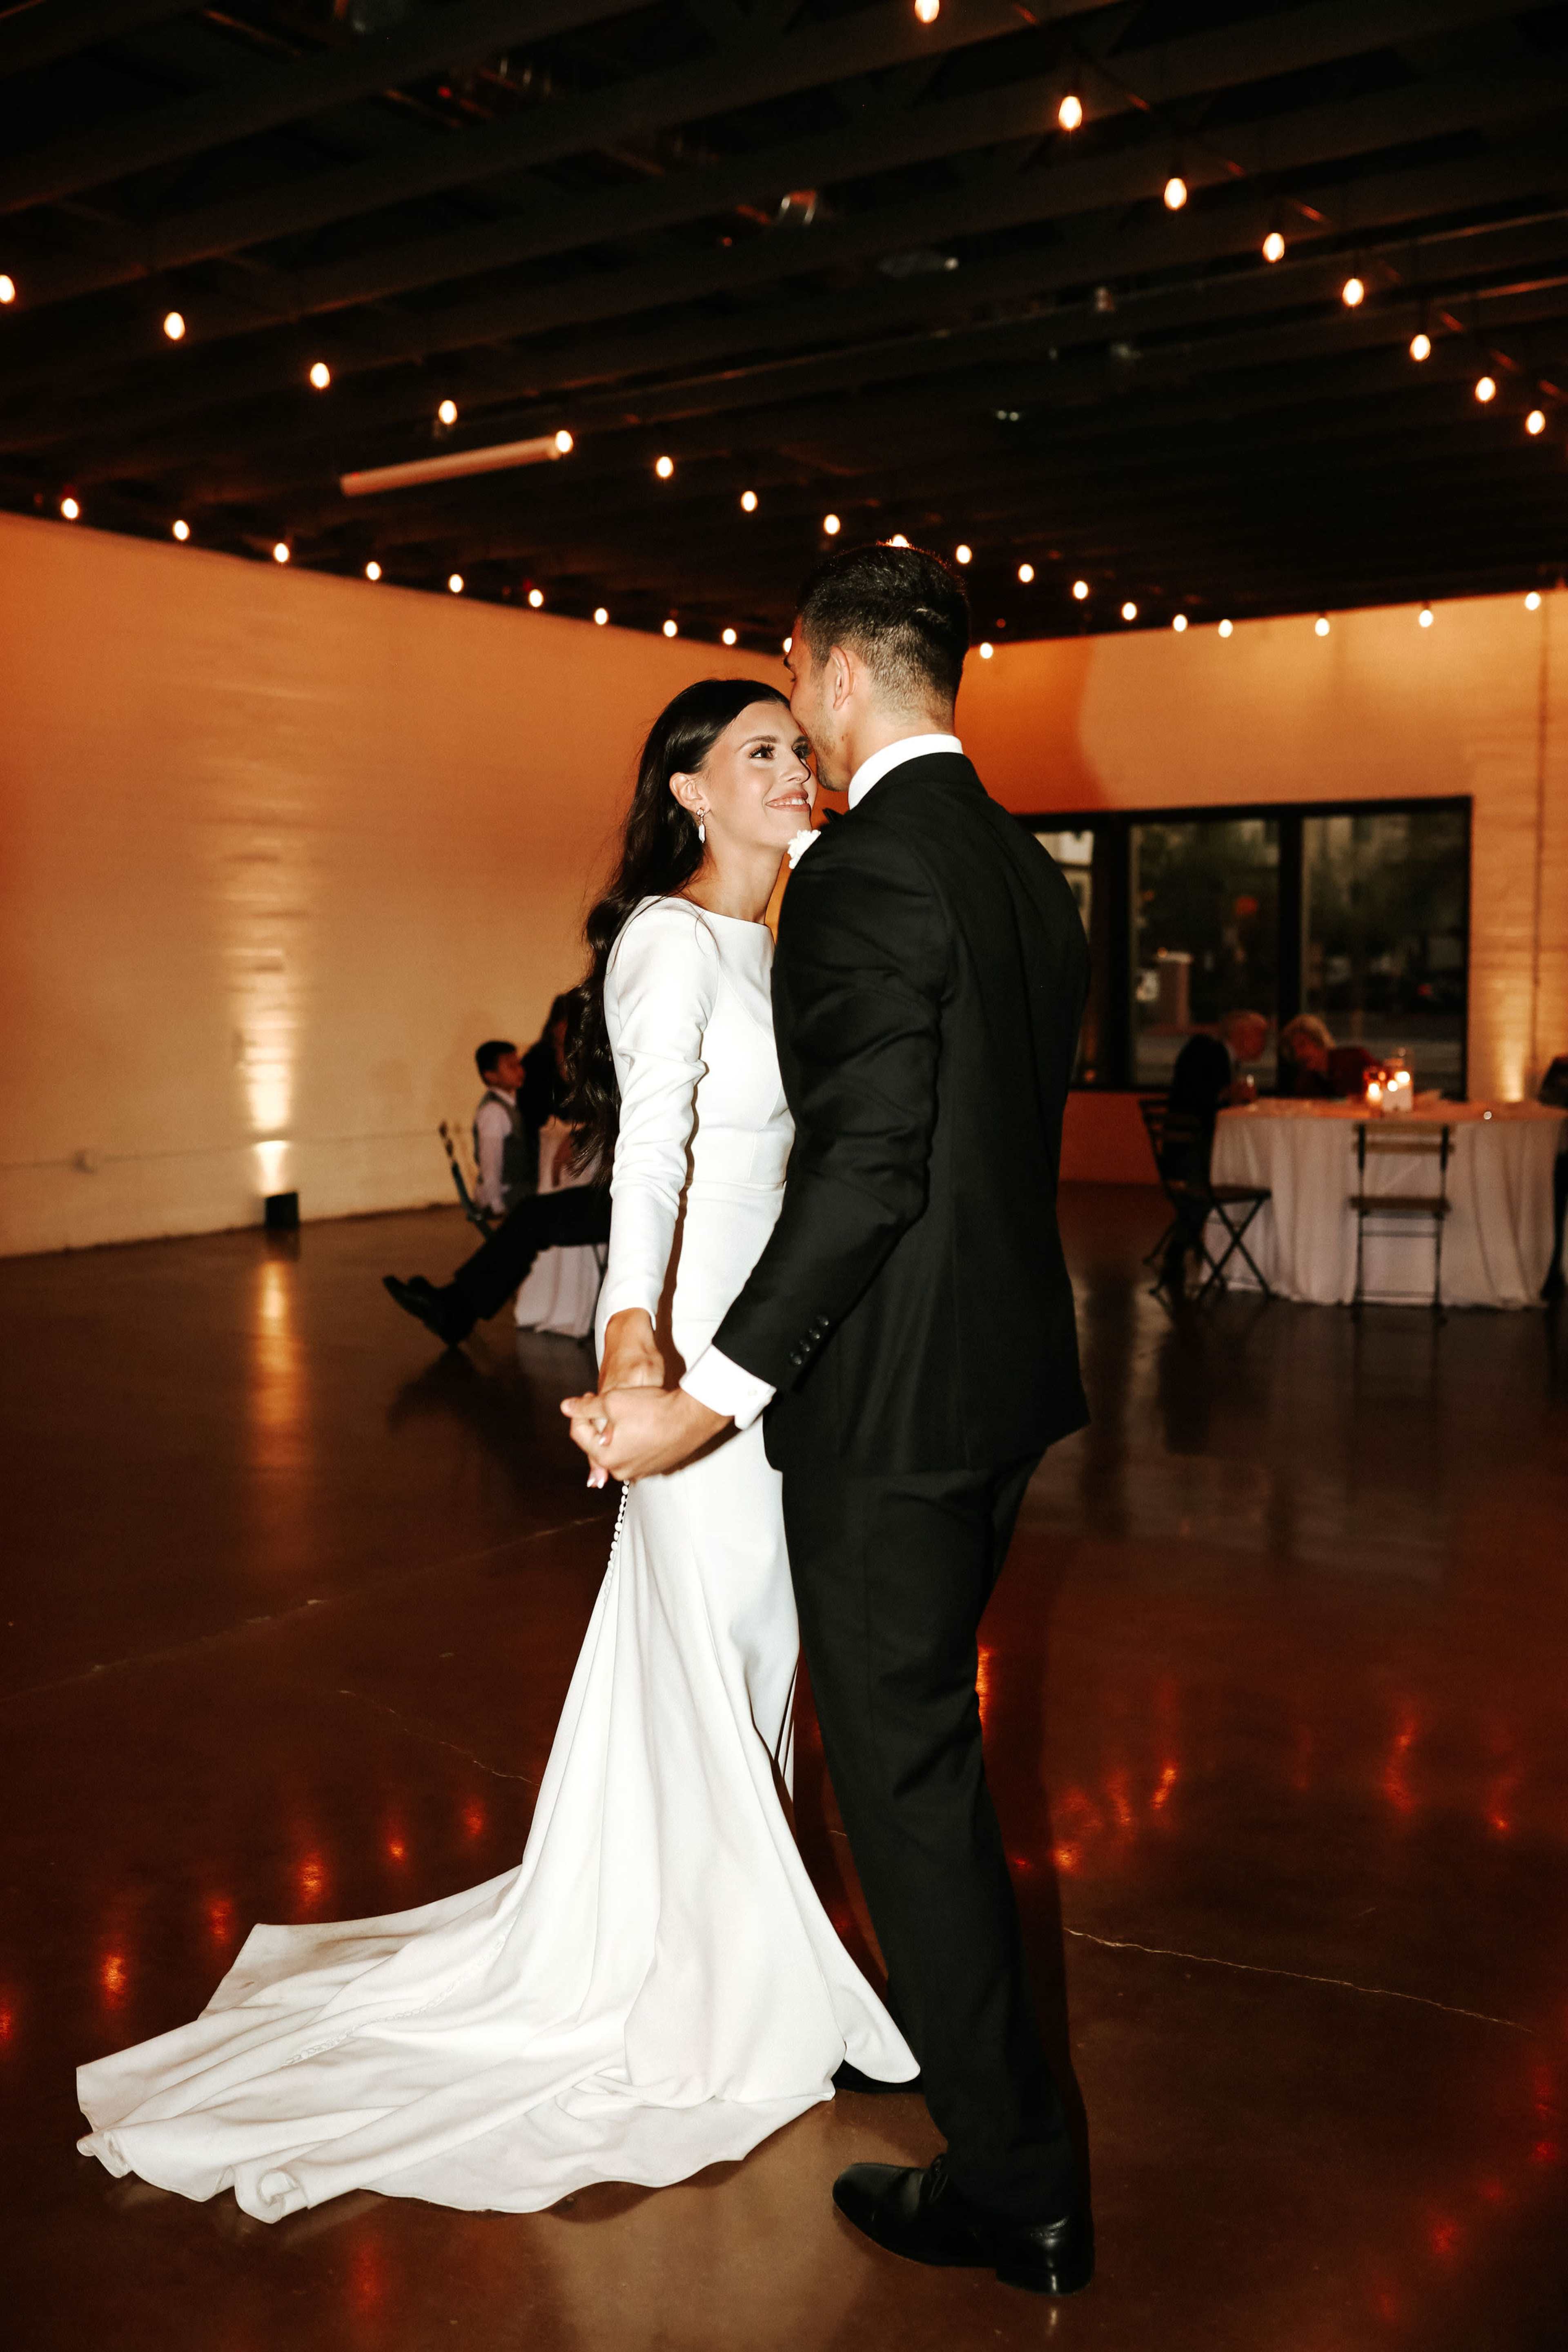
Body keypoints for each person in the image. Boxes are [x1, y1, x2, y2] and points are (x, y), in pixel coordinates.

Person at [76, 676, 917, 2226]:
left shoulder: (785, 944)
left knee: (745, 1652)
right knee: (718, 1639)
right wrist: (629, 1340)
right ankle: (750, 1987)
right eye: (760, 750)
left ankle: (720, 1949)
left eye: (803, 744)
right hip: (691, 1358)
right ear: (687, 788)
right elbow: (649, 1153)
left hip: (770, 1356)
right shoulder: (667, 940)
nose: (797, 767)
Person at [564, 543, 1094, 2296]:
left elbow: (871, 1171)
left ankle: (1014, 2180)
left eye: (801, 700)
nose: (800, 737)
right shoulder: (1027, 868)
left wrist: (706, 1395)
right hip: (1008, 1382)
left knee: (907, 1774)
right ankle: (863, 2021)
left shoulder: (868, 871)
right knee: (908, 1746)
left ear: (837, 675)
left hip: (887, 1405)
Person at [512, 998, 605, 1341]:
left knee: (533, 1218)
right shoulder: (542, 1062)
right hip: (583, 1186)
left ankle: (457, 1305)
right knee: (532, 1218)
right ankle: (458, 1304)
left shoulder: (600, 1068)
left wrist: (582, 1133)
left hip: (606, 1198)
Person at [1157, 1009, 1268, 1290]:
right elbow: (1196, 1099)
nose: (1266, 1044)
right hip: (1189, 1151)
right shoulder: (1207, 1051)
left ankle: (1190, 1245)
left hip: (1196, 1148)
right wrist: (1227, 1095)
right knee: (1211, 1178)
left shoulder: (1223, 1059)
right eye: (1261, 1036)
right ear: (1242, 1036)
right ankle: (1181, 1249)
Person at [471, 1038, 530, 1218]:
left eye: (519, 1064)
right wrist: (497, 1207)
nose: (520, 1070)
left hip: (513, 1190)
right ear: (491, 1075)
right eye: (511, 1067)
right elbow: (491, 1163)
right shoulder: (494, 1112)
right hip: (506, 1194)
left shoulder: (510, 1104)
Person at [1276, 1012, 1336, 1099]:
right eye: (1294, 1050)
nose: (1298, 1054)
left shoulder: (1348, 1067)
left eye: (1302, 1045)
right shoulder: (1305, 1081)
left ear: (1320, 1040)